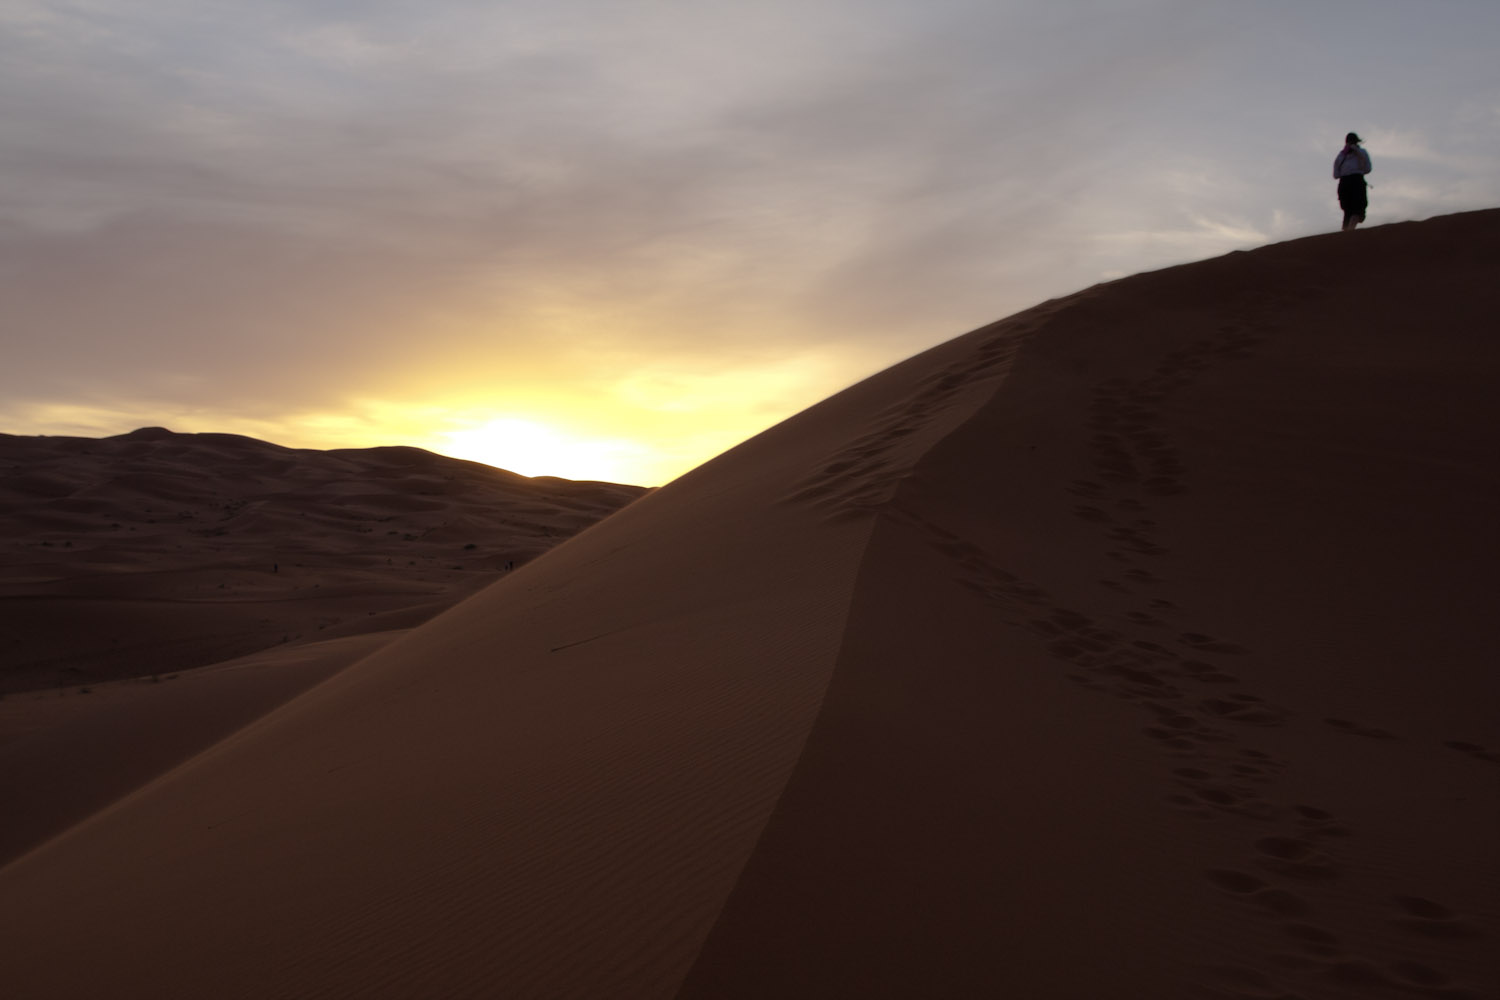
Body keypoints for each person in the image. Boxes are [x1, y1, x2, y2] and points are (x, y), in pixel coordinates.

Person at [1333, 132, 1372, 231]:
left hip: (1354, 181)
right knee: (1351, 210)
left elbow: (1367, 169)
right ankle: (1347, 233)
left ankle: (1347, 232)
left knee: (1356, 210)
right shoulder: (1341, 156)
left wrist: (1356, 152)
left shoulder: (1361, 152)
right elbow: (1336, 174)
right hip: (1349, 182)